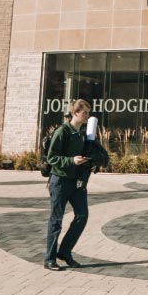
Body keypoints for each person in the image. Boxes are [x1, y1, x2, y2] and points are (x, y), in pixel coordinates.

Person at [43, 99, 104, 270]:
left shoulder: (83, 134)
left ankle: (64, 251)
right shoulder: (62, 131)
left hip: (77, 183)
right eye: (85, 113)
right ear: (76, 113)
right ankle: (49, 259)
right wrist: (71, 160)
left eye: (88, 113)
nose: (87, 116)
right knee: (56, 220)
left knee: (82, 216)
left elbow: (84, 154)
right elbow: (52, 158)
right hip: (60, 181)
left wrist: (90, 162)